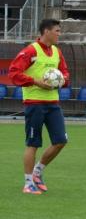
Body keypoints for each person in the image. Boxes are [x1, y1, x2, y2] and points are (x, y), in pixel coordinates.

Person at [8, 19, 70, 194]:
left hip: (53, 103)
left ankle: (38, 171)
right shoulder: (31, 51)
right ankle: (28, 184)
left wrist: (62, 80)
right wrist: (36, 81)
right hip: (34, 103)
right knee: (33, 143)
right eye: (57, 31)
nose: (59, 34)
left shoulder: (57, 52)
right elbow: (14, 73)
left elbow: (65, 73)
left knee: (60, 141)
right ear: (46, 31)